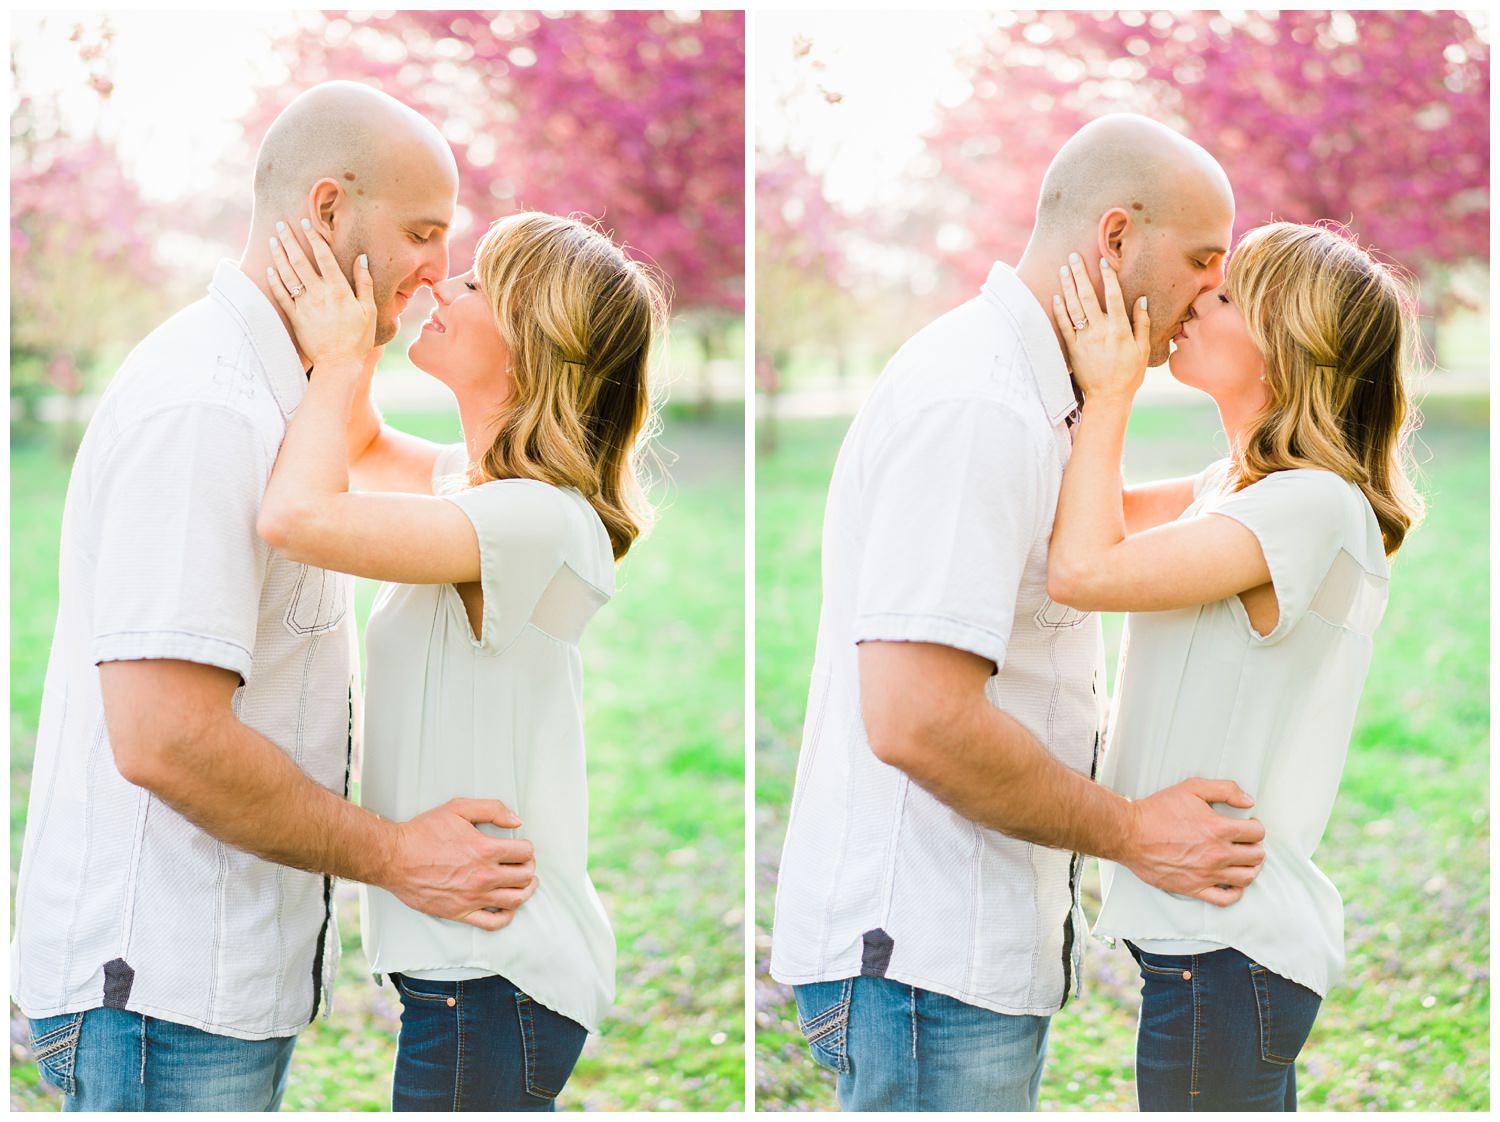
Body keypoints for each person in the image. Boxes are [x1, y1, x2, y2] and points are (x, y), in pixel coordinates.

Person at [11, 82, 537, 1113]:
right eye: (424, 233)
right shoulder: (207, 409)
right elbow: (163, 736)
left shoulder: (287, 397)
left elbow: (427, 481)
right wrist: (395, 855)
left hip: (212, 985)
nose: (438, 272)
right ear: (329, 210)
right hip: (158, 999)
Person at [770, 114, 1269, 1112]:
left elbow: (1123, 529)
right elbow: (917, 719)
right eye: (1202, 259)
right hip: (922, 966)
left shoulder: (1041, 394)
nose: (1214, 290)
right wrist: (1131, 830)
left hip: (960, 956)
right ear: (1116, 237)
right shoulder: (980, 407)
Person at [255, 208, 663, 1110]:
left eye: (476, 283)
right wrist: (358, 316)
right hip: (471, 972)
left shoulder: (536, 518)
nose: (445, 284)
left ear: (530, 343)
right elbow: (355, 446)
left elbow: (298, 518)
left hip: (493, 972)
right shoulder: (478, 489)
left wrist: (334, 359)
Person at [1047, 221, 1422, 1110]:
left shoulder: (1312, 506)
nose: (1192, 303)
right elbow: (1076, 512)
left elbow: (1084, 569)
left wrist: (1112, 395)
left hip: (1226, 950)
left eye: (1222, 297)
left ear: (1287, 351)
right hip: (1207, 951)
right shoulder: (1236, 487)